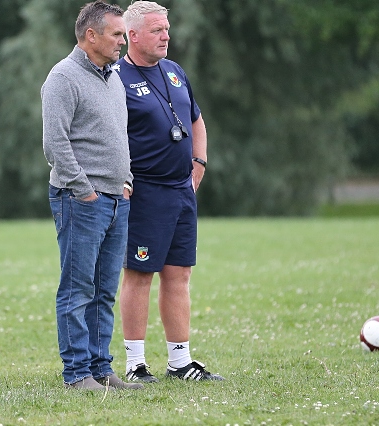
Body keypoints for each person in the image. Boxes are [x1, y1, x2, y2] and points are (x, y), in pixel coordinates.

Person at [116, 1, 224, 382]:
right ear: (133, 35)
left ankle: (180, 362)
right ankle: (135, 365)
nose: (166, 35)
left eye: (167, 28)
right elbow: (107, 135)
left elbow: (195, 119)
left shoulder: (175, 71)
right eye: (157, 30)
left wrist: (199, 162)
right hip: (144, 192)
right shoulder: (116, 77)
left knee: (178, 274)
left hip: (181, 191)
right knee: (140, 274)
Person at [41, 1, 143, 392]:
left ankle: (102, 369)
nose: (123, 41)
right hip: (81, 200)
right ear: (91, 35)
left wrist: (127, 180)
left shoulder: (112, 77)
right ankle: (77, 374)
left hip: (118, 199)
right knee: (78, 288)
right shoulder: (63, 78)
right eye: (117, 34)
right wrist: (84, 191)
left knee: (104, 290)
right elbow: (55, 143)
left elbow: (119, 138)